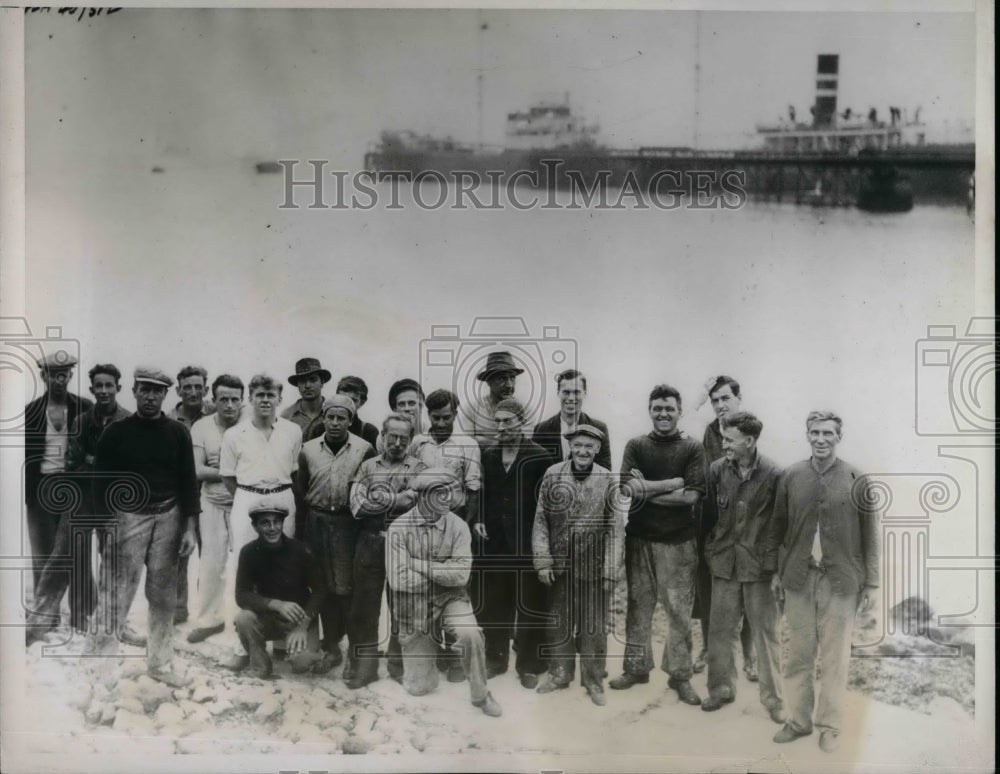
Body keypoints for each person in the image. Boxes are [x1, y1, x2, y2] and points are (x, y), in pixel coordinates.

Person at [771, 411, 880, 753]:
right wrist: (777, 573)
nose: (821, 439)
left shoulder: (856, 478)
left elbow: (870, 535)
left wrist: (872, 584)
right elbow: (778, 530)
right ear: (807, 435)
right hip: (799, 579)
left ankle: (830, 726)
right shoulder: (791, 476)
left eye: (828, 433)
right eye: (815, 432)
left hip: (841, 583)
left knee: (835, 658)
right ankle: (798, 721)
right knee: (798, 654)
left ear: (838, 437)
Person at [86, 367, 199, 687]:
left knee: (163, 595)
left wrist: (189, 528)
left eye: (157, 391)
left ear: (166, 395)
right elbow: (99, 485)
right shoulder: (116, 432)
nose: (151, 397)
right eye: (145, 390)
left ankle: (160, 664)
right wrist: (105, 525)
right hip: (127, 518)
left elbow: (188, 483)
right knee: (116, 593)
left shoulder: (178, 432)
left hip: (169, 516)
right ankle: (102, 667)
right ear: (133, 392)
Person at [610, 384, 705, 707]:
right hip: (639, 540)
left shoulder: (693, 448)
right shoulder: (636, 445)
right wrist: (671, 484)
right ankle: (636, 669)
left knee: (679, 613)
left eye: (669, 409)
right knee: (639, 607)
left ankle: (680, 676)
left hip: (679, 543)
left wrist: (645, 489)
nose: (663, 414)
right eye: (657, 409)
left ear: (679, 412)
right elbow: (626, 490)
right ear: (649, 411)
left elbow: (691, 496)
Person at [386, 468, 502, 718]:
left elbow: (461, 575)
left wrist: (418, 564)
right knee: (419, 689)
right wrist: (441, 573)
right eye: (440, 493)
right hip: (414, 602)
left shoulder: (458, 526)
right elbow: (398, 579)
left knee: (470, 633)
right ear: (422, 496)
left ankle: (481, 694)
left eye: (449, 492)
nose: (448, 499)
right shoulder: (398, 528)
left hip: (452, 598)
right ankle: (425, 662)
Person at [26, 363, 129, 642]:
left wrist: (96, 463)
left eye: (109, 385)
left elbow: (130, 467)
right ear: (44, 376)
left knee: (103, 560)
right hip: (60, 490)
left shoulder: (115, 417)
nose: (104, 390)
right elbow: (73, 461)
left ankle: (90, 616)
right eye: (99, 386)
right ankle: (43, 617)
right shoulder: (39, 411)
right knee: (53, 555)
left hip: (109, 501)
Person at [700, 411, 784, 722]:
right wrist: (711, 551)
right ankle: (720, 690)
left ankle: (774, 700)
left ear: (749, 441)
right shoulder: (716, 470)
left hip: (759, 569)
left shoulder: (775, 473)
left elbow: (780, 525)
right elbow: (708, 516)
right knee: (719, 632)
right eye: (722, 438)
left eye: (729, 440)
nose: (724, 445)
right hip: (723, 565)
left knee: (765, 634)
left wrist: (773, 567)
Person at [219, 374, 302, 669]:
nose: (265, 399)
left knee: (284, 567)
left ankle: (281, 642)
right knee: (241, 568)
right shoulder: (234, 435)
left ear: (279, 398)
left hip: (282, 498)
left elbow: (292, 470)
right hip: (247, 500)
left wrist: (274, 493)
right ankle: (239, 646)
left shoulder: (292, 431)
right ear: (250, 398)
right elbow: (229, 477)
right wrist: (251, 495)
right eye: (259, 394)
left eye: (271, 394)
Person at [533, 425, 620, 706]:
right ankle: (559, 674)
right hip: (560, 564)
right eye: (578, 445)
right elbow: (540, 521)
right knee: (558, 621)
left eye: (589, 446)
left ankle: (593, 680)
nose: (583, 451)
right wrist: (543, 560)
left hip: (593, 566)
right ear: (570, 446)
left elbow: (616, 528)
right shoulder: (553, 474)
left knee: (593, 625)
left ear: (597, 449)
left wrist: (610, 568)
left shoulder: (607, 479)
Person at [471, 397, 554, 688]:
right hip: (495, 543)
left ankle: (529, 664)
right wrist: (479, 517)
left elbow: (547, 505)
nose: (502, 427)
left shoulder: (540, 457)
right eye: (498, 422)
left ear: (522, 422)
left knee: (530, 603)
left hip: (527, 542)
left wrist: (543, 544)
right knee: (496, 602)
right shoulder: (490, 455)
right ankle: (496, 658)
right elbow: (482, 492)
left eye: (508, 421)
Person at [296, 395, 375, 674]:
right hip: (316, 522)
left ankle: (355, 651)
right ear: (324, 418)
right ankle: (331, 647)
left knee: (347, 589)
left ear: (350, 421)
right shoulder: (307, 450)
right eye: (330, 416)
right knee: (323, 587)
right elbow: (300, 492)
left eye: (341, 418)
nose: (335, 423)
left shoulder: (364, 449)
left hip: (347, 525)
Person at [348, 412, 424, 687]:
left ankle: (398, 665)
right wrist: (398, 499)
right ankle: (365, 668)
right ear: (383, 435)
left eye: (404, 438)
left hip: (404, 545)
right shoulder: (368, 466)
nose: (397, 443)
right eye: (392, 436)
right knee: (364, 609)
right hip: (370, 541)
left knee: (402, 606)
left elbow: (414, 504)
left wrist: (380, 497)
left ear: (411, 440)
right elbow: (357, 506)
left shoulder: (418, 468)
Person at [694, 375, 756, 679]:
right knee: (708, 590)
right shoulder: (709, 432)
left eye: (725, 398)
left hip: (745, 527)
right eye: (715, 400)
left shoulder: (751, 428)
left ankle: (750, 655)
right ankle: (708, 648)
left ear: (738, 398)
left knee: (749, 591)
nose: (720, 405)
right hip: (715, 525)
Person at [24, 352, 93, 597]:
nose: (59, 379)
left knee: (79, 551)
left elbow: (95, 447)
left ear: (71, 374)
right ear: (44, 376)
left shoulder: (85, 407)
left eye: (64, 374)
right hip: (40, 487)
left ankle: (81, 612)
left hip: (75, 488)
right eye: (53, 374)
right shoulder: (30, 411)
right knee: (42, 553)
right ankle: (46, 616)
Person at [232, 501, 326, 679]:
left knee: (302, 664)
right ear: (255, 526)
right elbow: (241, 594)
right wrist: (275, 604)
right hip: (268, 616)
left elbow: (320, 590)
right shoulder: (249, 552)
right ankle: (260, 667)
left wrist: (303, 625)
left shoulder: (301, 550)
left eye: (277, 521)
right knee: (243, 618)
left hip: (300, 619)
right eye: (265, 522)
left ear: (283, 523)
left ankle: (309, 650)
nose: (272, 528)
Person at [186, 374, 245, 644]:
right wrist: (230, 470)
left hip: (244, 503)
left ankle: (248, 622)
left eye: (235, 399)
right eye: (224, 399)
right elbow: (196, 470)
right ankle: (209, 619)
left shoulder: (251, 425)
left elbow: (253, 469)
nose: (230, 405)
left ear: (243, 400)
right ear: (214, 400)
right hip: (210, 502)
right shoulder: (200, 427)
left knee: (247, 562)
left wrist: (219, 468)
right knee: (211, 563)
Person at [168, 365, 214, 626]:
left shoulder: (217, 412)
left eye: (199, 387)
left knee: (209, 555)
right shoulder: (170, 418)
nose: (193, 392)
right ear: (178, 390)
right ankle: (178, 609)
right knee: (178, 553)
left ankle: (209, 614)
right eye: (188, 387)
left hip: (208, 494)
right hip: (179, 496)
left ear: (206, 389)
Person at [410, 389, 481, 524]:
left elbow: (473, 488)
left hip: (454, 516)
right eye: (436, 418)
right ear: (428, 414)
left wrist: (465, 525)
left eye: (446, 417)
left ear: (455, 414)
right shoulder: (417, 442)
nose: (441, 423)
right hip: (421, 516)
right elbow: (409, 480)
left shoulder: (468, 445)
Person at [532, 369, 612, 472]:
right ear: (558, 393)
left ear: (584, 394)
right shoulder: (541, 430)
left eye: (576, 392)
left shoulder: (599, 428)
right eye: (566, 392)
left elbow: (605, 472)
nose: (571, 398)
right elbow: (535, 471)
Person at [467, 351, 524, 447]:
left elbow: (525, 445)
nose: (509, 385)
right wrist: (506, 442)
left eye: (512, 378)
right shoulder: (472, 409)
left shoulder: (524, 409)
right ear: (489, 381)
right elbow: (467, 443)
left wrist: (481, 440)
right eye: (502, 379)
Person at [281, 357, 332, 442]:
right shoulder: (286, 417)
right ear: (298, 385)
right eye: (302, 381)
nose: (307, 385)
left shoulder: (333, 411)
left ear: (322, 382)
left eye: (313, 380)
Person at [336, 375, 380, 449]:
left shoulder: (369, 431)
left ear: (362, 403)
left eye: (353, 401)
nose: (347, 405)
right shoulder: (322, 428)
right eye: (343, 399)